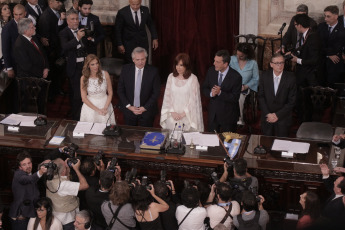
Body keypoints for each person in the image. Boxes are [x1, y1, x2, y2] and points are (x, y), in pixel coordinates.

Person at [117, 47, 160, 127]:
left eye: (142, 59)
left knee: (146, 136)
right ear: (133, 59)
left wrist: (145, 107)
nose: (140, 62)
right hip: (129, 110)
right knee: (129, 136)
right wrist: (129, 106)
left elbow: (156, 92)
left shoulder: (153, 71)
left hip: (147, 110)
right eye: (137, 60)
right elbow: (120, 90)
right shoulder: (125, 69)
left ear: (146, 59)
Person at [160, 53, 204, 132]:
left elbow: (193, 100)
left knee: (186, 141)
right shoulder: (170, 77)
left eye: (181, 65)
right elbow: (167, 97)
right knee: (172, 140)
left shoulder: (193, 79)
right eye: (177, 64)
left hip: (187, 116)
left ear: (187, 66)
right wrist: (173, 112)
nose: (178, 67)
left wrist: (182, 114)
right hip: (172, 116)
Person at [202, 49, 242, 132]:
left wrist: (220, 93)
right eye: (214, 61)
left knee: (228, 143)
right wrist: (211, 94)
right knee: (212, 141)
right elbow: (204, 88)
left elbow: (235, 98)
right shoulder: (211, 71)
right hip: (213, 115)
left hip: (229, 116)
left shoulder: (236, 77)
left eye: (217, 62)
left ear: (225, 64)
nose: (214, 64)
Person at [258, 53, 296, 137]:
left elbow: (292, 101)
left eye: (282, 63)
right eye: (277, 63)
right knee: (266, 143)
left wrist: (277, 115)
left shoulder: (291, 78)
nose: (280, 65)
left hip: (283, 117)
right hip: (267, 116)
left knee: (282, 144)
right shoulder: (264, 76)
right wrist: (268, 114)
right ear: (271, 64)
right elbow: (261, 97)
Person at [46, 157, 89, 229]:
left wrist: (66, 168)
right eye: (65, 167)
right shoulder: (63, 185)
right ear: (63, 172)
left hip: (56, 216)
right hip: (67, 221)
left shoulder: (50, 178)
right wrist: (76, 169)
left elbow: (65, 179)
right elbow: (85, 185)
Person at [9, 151, 48, 230]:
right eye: (24, 164)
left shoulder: (30, 173)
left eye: (29, 163)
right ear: (20, 167)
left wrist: (60, 150)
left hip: (30, 215)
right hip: (20, 218)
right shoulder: (18, 174)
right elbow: (28, 179)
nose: (28, 166)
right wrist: (40, 172)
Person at [59, 9, 86, 120]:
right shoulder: (63, 33)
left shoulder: (82, 29)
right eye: (72, 19)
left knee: (84, 91)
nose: (75, 21)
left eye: (77, 19)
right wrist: (77, 38)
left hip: (85, 66)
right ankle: (76, 118)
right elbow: (65, 47)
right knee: (76, 94)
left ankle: (84, 114)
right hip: (74, 67)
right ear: (67, 21)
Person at [38, 0, 67, 99]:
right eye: (58, 2)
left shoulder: (58, 13)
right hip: (51, 52)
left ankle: (56, 90)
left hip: (58, 50)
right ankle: (51, 96)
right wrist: (52, 52)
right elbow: (46, 39)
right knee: (52, 74)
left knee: (57, 74)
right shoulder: (46, 16)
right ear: (50, 2)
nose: (60, 4)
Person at [79, 54, 116, 124]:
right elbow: (84, 98)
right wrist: (98, 110)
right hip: (90, 107)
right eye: (92, 64)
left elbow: (110, 93)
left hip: (105, 104)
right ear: (88, 66)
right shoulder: (83, 78)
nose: (96, 66)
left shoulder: (105, 74)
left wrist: (105, 108)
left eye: (97, 63)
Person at [229, 43, 259, 125]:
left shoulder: (253, 63)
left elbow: (256, 79)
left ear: (247, 54)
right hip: (230, 85)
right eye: (237, 54)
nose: (238, 57)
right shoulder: (231, 59)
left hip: (244, 87)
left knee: (239, 97)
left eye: (241, 56)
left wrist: (246, 86)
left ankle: (239, 118)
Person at [318, 5, 345, 87]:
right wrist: (328, 54)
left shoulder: (342, 30)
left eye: (328, 16)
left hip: (335, 66)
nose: (325, 19)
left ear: (336, 16)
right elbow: (318, 44)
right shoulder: (321, 27)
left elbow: (338, 47)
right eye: (325, 16)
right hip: (321, 64)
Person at [2, 3, 27, 78]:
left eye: (20, 14)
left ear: (25, 13)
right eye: (16, 14)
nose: (18, 17)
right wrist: (9, 68)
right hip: (16, 64)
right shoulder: (7, 28)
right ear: (13, 14)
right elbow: (5, 49)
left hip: (27, 61)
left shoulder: (27, 22)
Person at [0, 2, 11, 69]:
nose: (8, 10)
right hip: (2, 55)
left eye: (8, 8)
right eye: (5, 9)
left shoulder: (12, 22)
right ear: (0, 12)